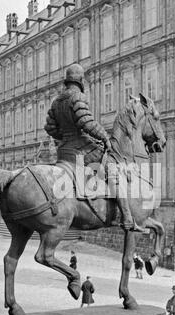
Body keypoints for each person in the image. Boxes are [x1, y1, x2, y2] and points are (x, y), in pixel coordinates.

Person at [44, 63, 143, 233]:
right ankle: (127, 217)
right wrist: (105, 137)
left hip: (64, 151)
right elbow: (87, 122)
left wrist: (63, 137)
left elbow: (50, 128)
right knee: (113, 168)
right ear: (81, 80)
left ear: (67, 81)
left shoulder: (56, 101)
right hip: (80, 148)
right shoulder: (78, 97)